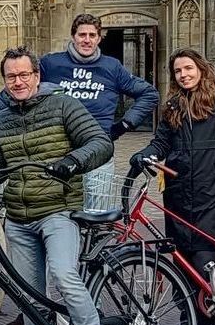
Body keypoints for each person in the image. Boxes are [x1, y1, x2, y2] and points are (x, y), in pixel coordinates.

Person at [0, 47, 117, 325]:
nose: (18, 81)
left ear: (37, 76)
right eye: (11, 76)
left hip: (59, 209)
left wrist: (73, 161)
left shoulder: (63, 105)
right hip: (19, 216)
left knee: (62, 274)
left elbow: (100, 142)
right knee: (28, 295)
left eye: (24, 74)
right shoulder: (0, 120)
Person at [130, 49, 215, 325]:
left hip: (212, 191)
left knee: (203, 258)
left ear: (201, 68)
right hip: (177, 191)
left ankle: (207, 324)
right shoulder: (173, 106)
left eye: (188, 68)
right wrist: (145, 154)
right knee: (180, 258)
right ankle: (188, 322)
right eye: (178, 71)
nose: (184, 75)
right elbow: (161, 141)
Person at [39, 14, 160, 211]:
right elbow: (20, 86)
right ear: (73, 36)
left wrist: (124, 125)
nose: (87, 40)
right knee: (58, 210)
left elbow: (149, 94)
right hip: (59, 148)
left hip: (97, 149)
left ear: (99, 38)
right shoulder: (51, 64)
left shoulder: (111, 66)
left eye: (92, 35)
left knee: (97, 212)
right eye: (82, 34)